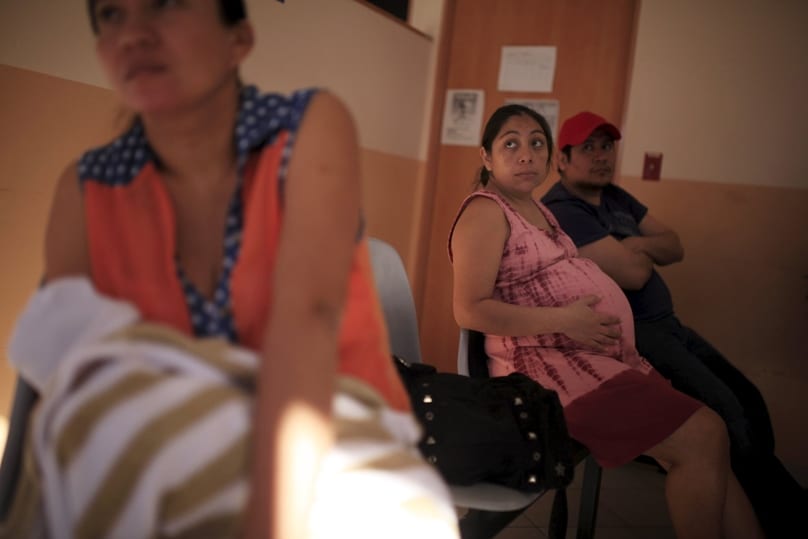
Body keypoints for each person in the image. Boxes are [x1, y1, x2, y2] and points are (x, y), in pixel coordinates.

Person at [24, 1, 458, 537]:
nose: (132, 33)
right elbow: (82, 384)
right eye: (110, 14)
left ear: (240, 39)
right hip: (165, 436)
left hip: (327, 423)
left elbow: (307, 326)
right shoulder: (88, 188)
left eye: (165, 4)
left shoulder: (305, 130)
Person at [449, 104, 764, 538]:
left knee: (713, 437)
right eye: (511, 144)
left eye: (536, 143)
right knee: (704, 435)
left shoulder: (540, 211)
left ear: (548, 156)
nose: (526, 154)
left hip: (591, 358)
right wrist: (566, 320)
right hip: (546, 371)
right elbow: (470, 308)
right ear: (486, 158)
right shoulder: (486, 211)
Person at [541, 110, 806, 537]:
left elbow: (675, 245)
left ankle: (771, 508)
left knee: (749, 400)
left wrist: (634, 244)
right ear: (563, 159)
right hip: (637, 334)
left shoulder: (616, 198)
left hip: (670, 326)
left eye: (606, 145)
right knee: (728, 413)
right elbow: (636, 275)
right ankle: (783, 518)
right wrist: (643, 253)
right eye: (587, 147)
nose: (600, 156)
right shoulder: (563, 209)